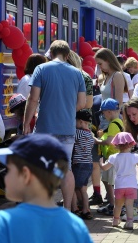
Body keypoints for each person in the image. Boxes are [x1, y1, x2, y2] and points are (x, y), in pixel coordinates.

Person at [0, 134, 94, 243]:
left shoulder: (6, 222)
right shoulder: (76, 226)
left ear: (26, 175)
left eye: (10, 170)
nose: (6, 177)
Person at [23, 40, 86, 211]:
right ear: (67, 55)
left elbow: (33, 99)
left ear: (50, 53)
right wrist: (65, 109)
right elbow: (82, 103)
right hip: (67, 129)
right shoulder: (77, 73)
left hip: (45, 128)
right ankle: (66, 208)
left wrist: (27, 122)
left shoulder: (41, 69)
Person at [100, 132, 138, 230]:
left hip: (119, 185)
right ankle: (129, 222)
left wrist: (100, 163)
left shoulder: (114, 157)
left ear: (117, 145)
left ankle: (115, 220)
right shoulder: (135, 157)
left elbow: (105, 168)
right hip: (131, 186)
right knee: (129, 205)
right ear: (131, 144)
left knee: (118, 205)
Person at [94, 98, 123, 216]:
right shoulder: (119, 121)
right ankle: (113, 204)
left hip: (112, 156)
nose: (103, 115)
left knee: (109, 181)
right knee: (107, 180)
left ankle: (113, 205)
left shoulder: (113, 124)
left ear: (109, 112)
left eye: (103, 112)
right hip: (114, 156)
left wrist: (97, 141)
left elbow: (110, 141)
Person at [71, 109, 94, 220]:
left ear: (80, 121)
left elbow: (69, 140)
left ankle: (75, 208)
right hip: (89, 164)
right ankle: (86, 209)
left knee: (73, 187)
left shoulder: (77, 132)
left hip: (79, 163)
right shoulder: (90, 134)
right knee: (83, 189)